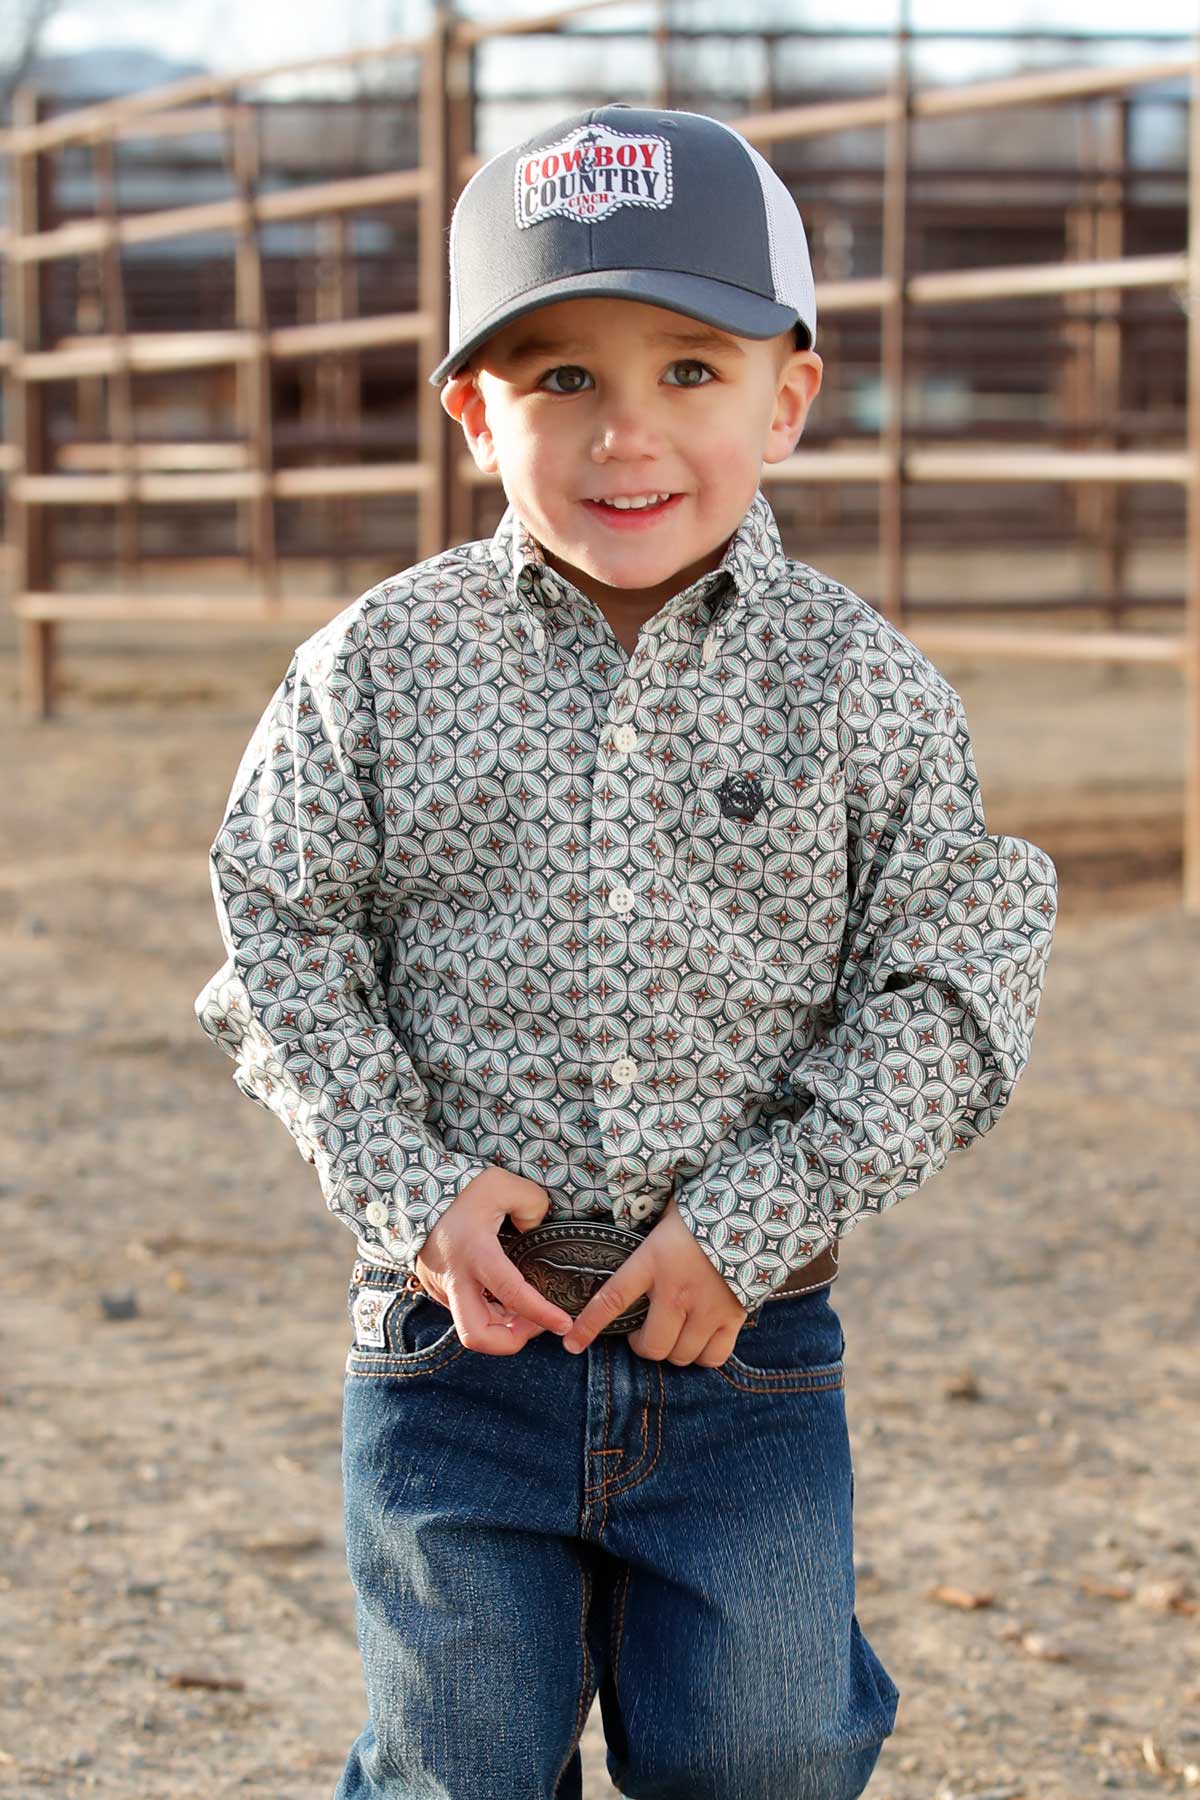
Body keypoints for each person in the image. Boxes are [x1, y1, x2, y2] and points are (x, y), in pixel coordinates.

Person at [195, 103, 1057, 1800]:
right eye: (560, 377)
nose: (624, 434)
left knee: (771, 1748)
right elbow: (278, 941)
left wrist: (752, 1220)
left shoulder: (863, 690)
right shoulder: (376, 670)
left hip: (741, 1353)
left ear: (789, 397)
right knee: (460, 1765)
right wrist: (408, 1185)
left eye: (688, 369)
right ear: (472, 411)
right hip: (458, 1347)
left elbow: (959, 985)